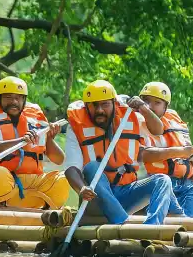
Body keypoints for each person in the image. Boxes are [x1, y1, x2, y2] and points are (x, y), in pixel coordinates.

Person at [64, 80, 177, 225]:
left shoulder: (130, 116)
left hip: (126, 192)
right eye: (94, 105)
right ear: (86, 107)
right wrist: (81, 188)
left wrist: (143, 108)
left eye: (105, 104)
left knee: (163, 181)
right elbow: (71, 168)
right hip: (95, 199)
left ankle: (152, 228)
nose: (99, 110)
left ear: (114, 103)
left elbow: (158, 130)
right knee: (92, 167)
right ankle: (124, 224)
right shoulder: (75, 127)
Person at [0, 76, 69, 209]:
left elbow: (59, 160)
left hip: (33, 182)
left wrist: (49, 138)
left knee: (63, 179)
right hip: (3, 183)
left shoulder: (35, 116)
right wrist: (19, 141)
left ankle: (45, 209)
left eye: (18, 98)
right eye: (8, 97)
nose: (14, 102)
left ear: (24, 100)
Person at [138, 81, 193, 217]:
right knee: (163, 188)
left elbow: (190, 159)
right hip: (154, 182)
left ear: (166, 107)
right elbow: (142, 155)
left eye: (157, 103)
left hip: (181, 184)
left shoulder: (173, 121)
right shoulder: (136, 122)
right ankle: (179, 219)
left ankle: (181, 220)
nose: (150, 106)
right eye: (146, 101)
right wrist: (179, 152)